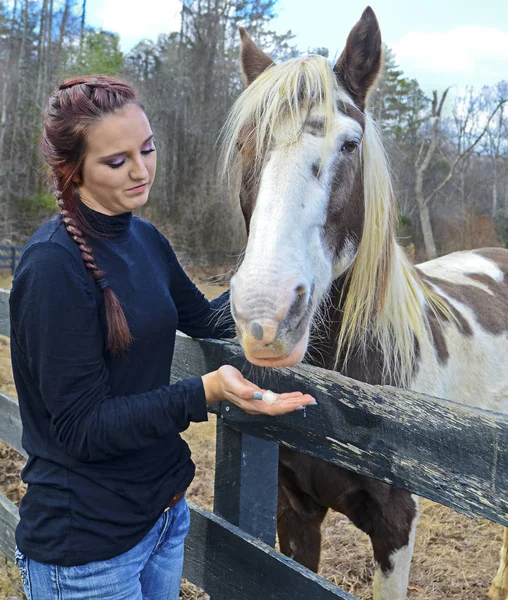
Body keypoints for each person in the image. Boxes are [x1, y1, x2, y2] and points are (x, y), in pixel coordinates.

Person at [9, 75, 315, 600]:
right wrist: (205, 392)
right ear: (72, 168)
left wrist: (274, 275)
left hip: (162, 518)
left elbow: (205, 318)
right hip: (87, 548)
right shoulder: (52, 267)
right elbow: (83, 427)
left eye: (147, 149)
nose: (140, 169)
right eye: (116, 160)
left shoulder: (145, 238)